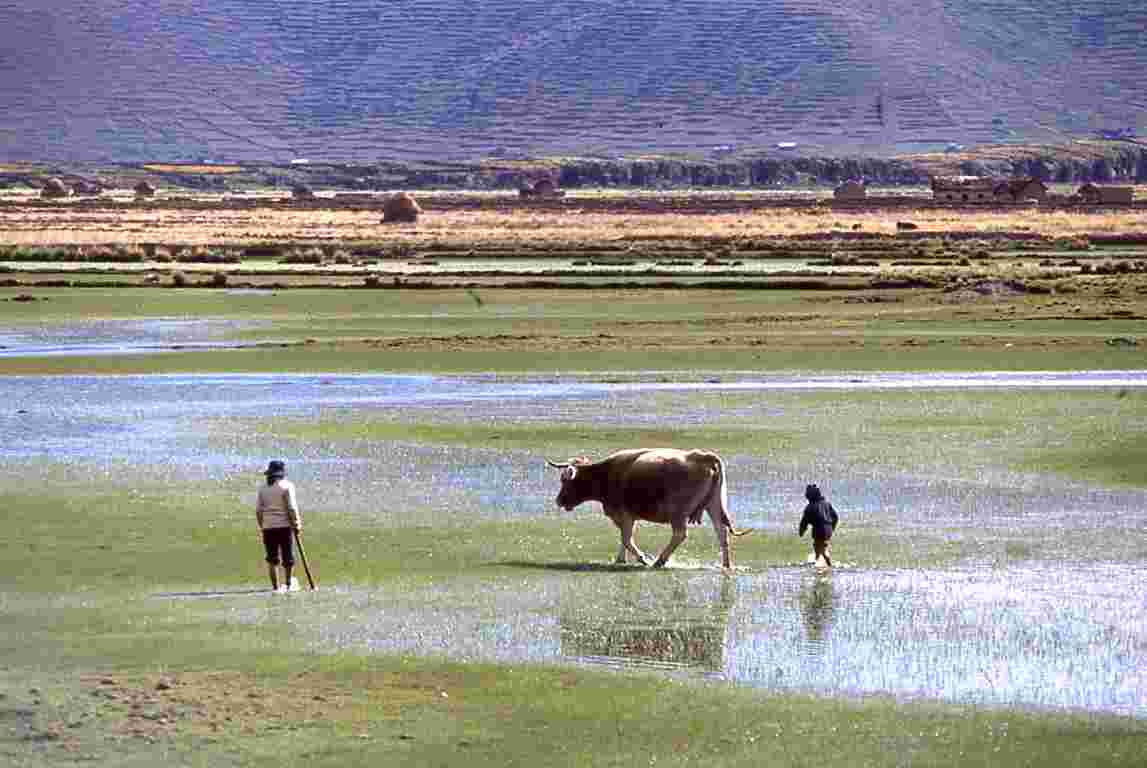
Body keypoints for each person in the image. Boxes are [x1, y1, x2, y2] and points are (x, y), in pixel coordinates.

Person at [256, 460, 302, 592]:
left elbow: (259, 510)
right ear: (282, 474)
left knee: (272, 559)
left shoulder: (263, 488)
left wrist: (262, 525)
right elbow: (292, 508)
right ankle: (288, 584)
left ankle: (275, 587)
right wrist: (297, 524)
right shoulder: (287, 486)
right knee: (288, 557)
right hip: (285, 526)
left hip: (268, 527)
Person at [798, 483, 839, 568]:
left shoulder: (810, 507)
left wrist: (801, 531)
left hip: (819, 530)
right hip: (828, 529)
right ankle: (822, 564)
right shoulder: (827, 504)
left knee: (820, 549)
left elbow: (804, 522)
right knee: (821, 547)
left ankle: (826, 565)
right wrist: (832, 528)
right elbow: (835, 517)